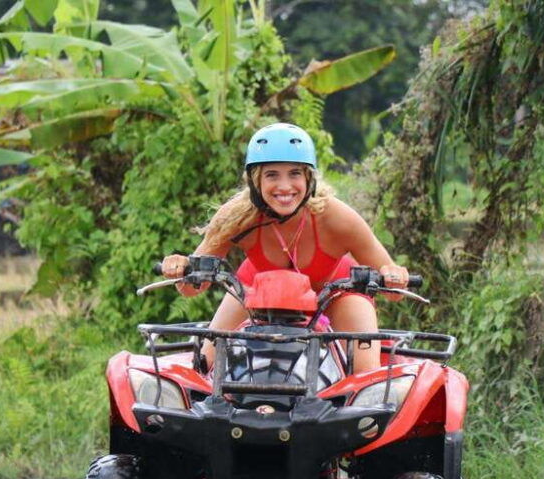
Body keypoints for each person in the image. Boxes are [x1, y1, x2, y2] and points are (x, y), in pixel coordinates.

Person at [160, 123, 408, 373]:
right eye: (272, 175)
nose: (285, 186)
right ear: (255, 180)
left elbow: (394, 289)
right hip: (257, 289)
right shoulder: (236, 217)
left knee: (366, 373)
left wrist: (394, 276)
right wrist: (180, 267)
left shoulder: (337, 217)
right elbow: (192, 287)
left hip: (336, 291)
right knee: (205, 363)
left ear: (309, 178)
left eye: (295, 174)